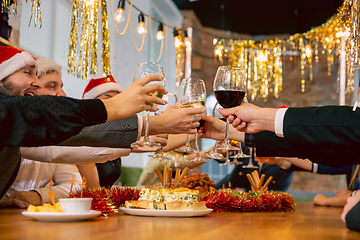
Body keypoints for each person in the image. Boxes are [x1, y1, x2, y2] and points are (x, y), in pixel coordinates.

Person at [0, 46, 173, 204]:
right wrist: (145, 126)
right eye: (28, 73)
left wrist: (142, 134)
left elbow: (71, 169)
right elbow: (75, 143)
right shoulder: (14, 119)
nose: (36, 84)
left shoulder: (26, 131)